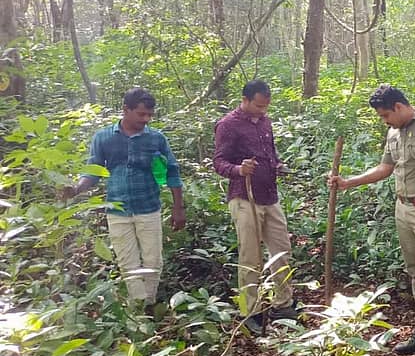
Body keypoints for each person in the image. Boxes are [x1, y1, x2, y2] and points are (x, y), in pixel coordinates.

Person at [329, 84, 415, 356]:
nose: (384, 120)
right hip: (403, 208)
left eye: (386, 115)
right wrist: (349, 182)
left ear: (399, 107)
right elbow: (385, 168)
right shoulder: (393, 133)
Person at [60, 88, 186, 308]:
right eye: (141, 114)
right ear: (125, 110)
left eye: (150, 115)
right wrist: (76, 188)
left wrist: (178, 207)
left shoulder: (156, 139)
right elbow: (94, 171)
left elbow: (172, 172)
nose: (146, 119)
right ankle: (140, 309)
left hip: (149, 206)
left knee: (153, 261)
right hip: (117, 208)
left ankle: (148, 304)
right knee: (128, 263)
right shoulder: (104, 138)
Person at [213, 80, 297, 334]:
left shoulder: (265, 122)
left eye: (266, 106)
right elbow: (218, 162)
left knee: (282, 250)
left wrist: (278, 166)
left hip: (270, 196)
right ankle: (250, 310)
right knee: (250, 256)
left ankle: (284, 303)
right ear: (246, 100)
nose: (263, 110)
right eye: (259, 106)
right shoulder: (228, 125)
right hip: (244, 197)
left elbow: (270, 153)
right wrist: (239, 169)